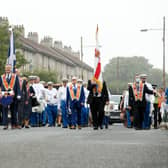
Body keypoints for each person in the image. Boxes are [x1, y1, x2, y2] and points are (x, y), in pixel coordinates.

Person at [0, 64, 21, 130]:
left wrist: (19, 94)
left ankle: (14, 124)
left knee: (13, 111)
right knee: (5, 111)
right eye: (6, 69)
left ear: (11, 69)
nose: (8, 70)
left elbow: (17, 86)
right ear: (5, 69)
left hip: (13, 96)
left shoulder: (15, 77)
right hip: (5, 96)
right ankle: (5, 124)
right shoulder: (2, 77)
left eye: (9, 69)